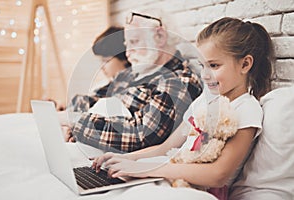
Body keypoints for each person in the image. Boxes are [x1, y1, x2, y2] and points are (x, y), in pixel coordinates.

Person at [92, 17, 274, 200]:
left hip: (197, 191)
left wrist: (147, 169)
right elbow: (167, 147)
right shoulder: (204, 102)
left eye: (214, 66)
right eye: (202, 66)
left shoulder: (246, 109)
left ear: (245, 64)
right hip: (171, 176)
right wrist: (127, 160)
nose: (205, 75)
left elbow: (218, 175)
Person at [65, 10, 202, 153]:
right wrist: (65, 116)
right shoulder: (134, 74)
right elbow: (94, 99)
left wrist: (76, 123)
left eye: (134, 42)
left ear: (160, 37)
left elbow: (140, 136)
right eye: (126, 44)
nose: (127, 53)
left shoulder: (178, 82)